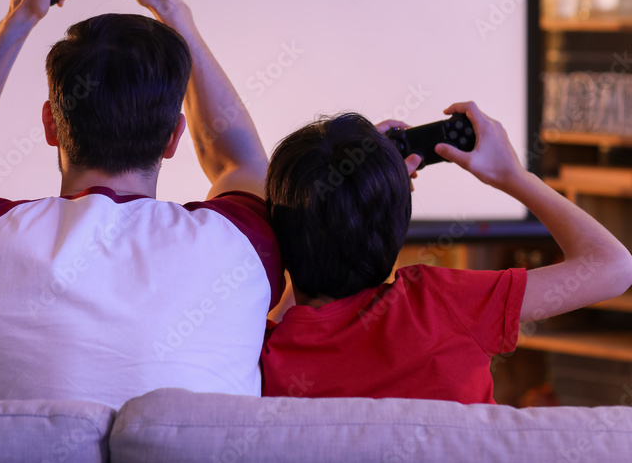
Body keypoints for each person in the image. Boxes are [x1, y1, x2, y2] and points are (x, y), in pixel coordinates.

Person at [0, 0, 284, 408]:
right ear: (175, 137)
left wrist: (18, 18)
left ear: (51, 125)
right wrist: (173, 7)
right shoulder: (239, 241)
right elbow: (238, 159)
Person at [260, 102, 632, 404]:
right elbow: (614, 267)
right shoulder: (440, 304)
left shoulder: (261, 354)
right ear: (397, 226)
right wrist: (513, 175)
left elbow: (305, 303)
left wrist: (359, 185)